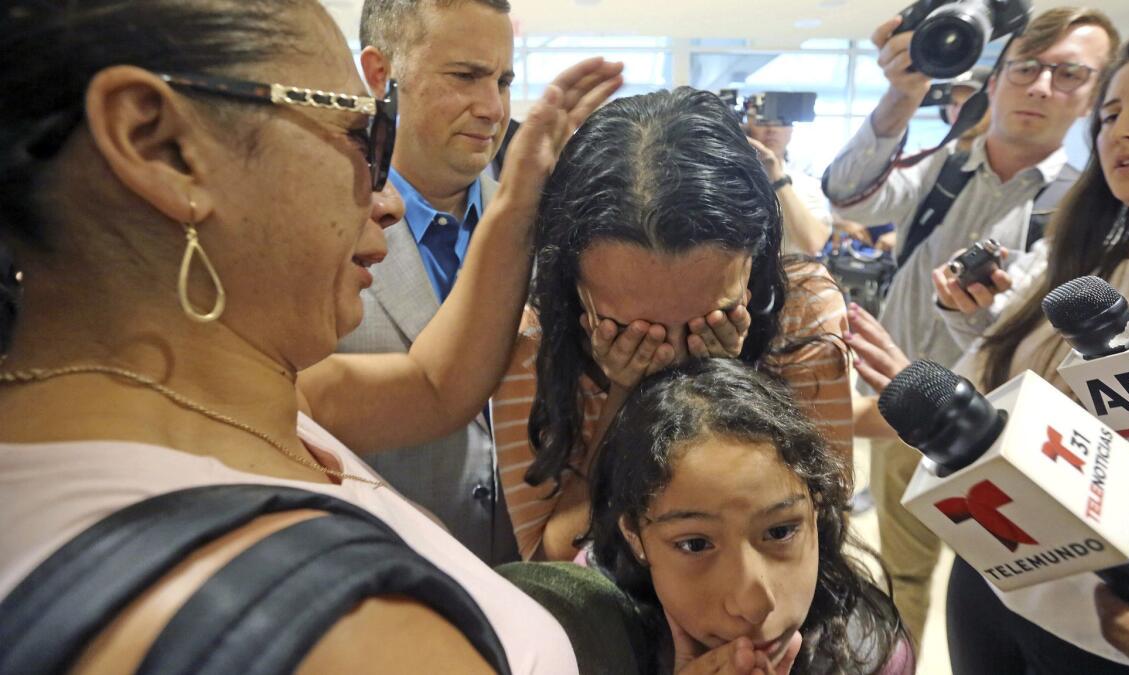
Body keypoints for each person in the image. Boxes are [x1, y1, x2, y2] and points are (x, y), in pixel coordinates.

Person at [0, 0, 622, 670]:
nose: (385, 199)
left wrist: (522, 186)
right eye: (360, 134)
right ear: (161, 145)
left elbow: (436, 384)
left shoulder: (220, 402)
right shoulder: (336, 635)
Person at [847, 26, 1129, 673]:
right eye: (1112, 112)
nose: (1122, 130)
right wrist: (961, 348)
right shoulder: (1070, 259)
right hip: (999, 572)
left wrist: (1004, 439)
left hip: (1124, 618)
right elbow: (995, 370)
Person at [825, 6, 1120, 647]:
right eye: (1026, 68)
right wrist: (901, 97)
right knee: (898, 574)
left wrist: (978, 316)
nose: (1041, 87)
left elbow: (1037, 352)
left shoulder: (1079, 209)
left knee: (996, 585)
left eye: (1069, 74)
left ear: (1093, 97)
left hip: (999, 438)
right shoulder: (945, 170)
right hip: (894, 416)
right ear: (994, 79)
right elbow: (848, 198)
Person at [490, 87, 854, 562]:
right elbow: (552, 566)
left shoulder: (802, 310)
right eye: (636, 331)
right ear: (575, 284)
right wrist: (626, 397)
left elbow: (816, 537)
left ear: (755, 260)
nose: (673, 351)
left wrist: (725, 387)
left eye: (711, 319)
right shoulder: (532, 341)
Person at [336, 0, 519, 564]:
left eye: (504, 81)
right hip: (375, 589)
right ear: (379, 75)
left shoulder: (543, 230)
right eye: (465, 76)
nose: (493, 108)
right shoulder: (321, 237)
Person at [585, 359, 911, 674]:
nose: (753, 605)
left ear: (817, 510)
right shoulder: (576, 644)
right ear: (634, 536)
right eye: (696, 544)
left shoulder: (868, 652)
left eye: (781, 531)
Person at [743, 102, 832, 256]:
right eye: (762, 121)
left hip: (787, 275)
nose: (771, 130)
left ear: (790, 130)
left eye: (780, 122)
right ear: (748, 128)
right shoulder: (729, 181)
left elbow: (813, 243)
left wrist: (776, 176)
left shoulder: (807, 185)